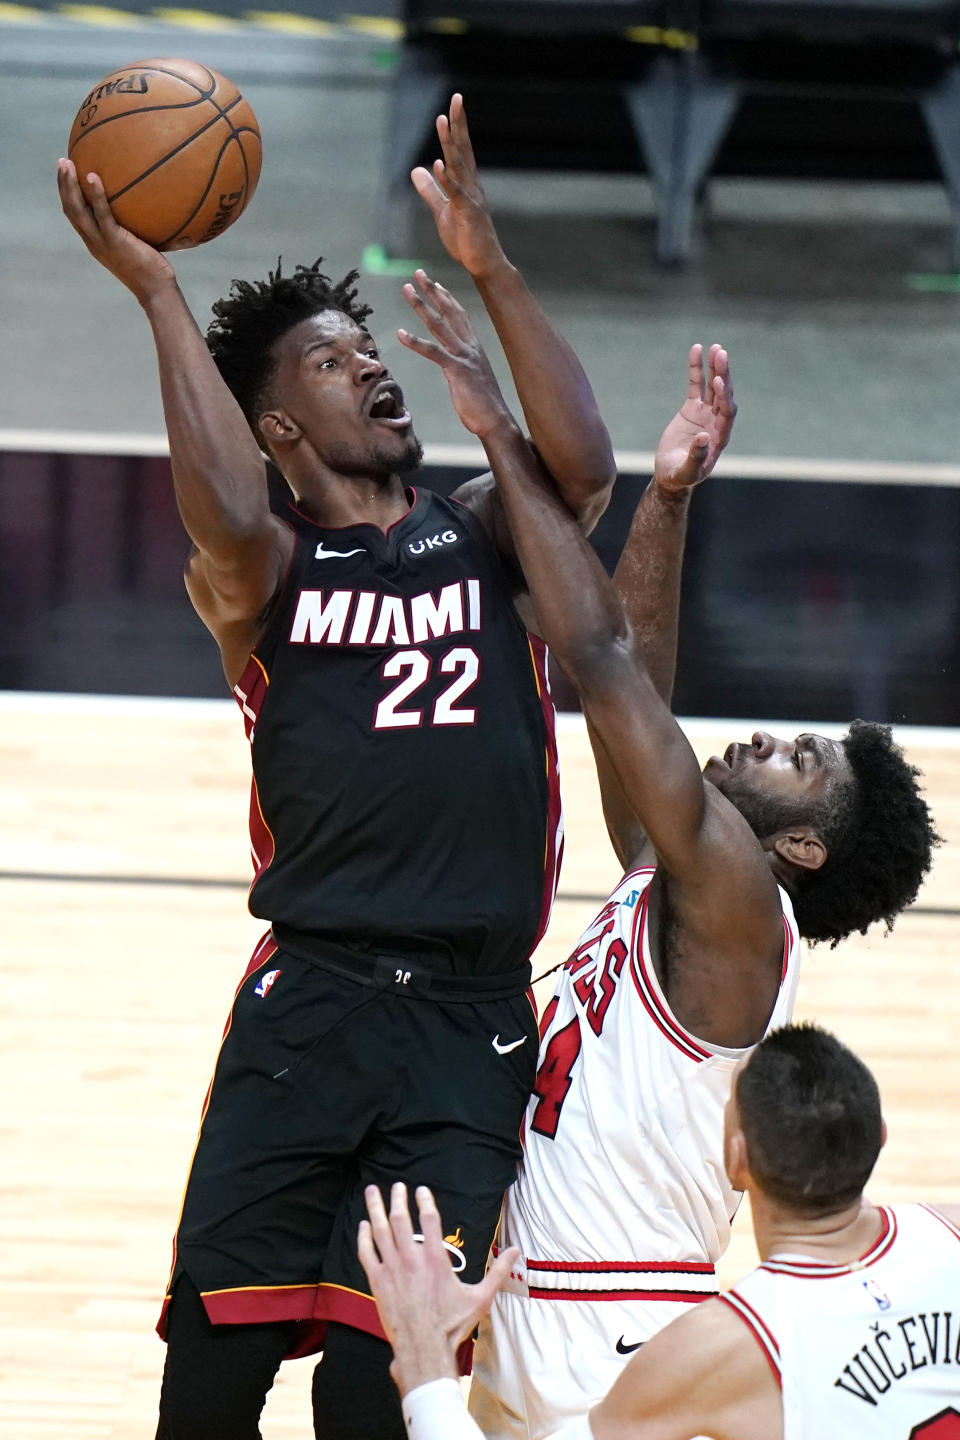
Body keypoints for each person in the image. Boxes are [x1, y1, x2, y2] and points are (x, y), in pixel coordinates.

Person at [55, 92, 615, 1440]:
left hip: (469, 1027)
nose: (370, 363)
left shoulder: (487, 526)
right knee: (210, 1384)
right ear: (279, 428)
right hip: (311, 1010)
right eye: (328, 360)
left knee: (382, 1396)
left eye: (368, 347)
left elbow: (588, 469)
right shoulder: (269, 573)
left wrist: (489, 262)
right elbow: (220, 509)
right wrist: (157, 298)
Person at [384, 278, 938, 1438]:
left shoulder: (736, 902)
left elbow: (600, 659)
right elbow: (628, 681)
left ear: (798, 844)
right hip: (531, 1289)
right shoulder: (678, 881)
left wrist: (497, 429)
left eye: (800, 760)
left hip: (619, 1324)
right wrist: (671, 499)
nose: (767, 738)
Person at [358, 1024, 960, 1440]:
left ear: (736, 1161)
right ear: (881, 1135)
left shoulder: (722, 1347)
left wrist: (427, 1364)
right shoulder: (949, 1238)